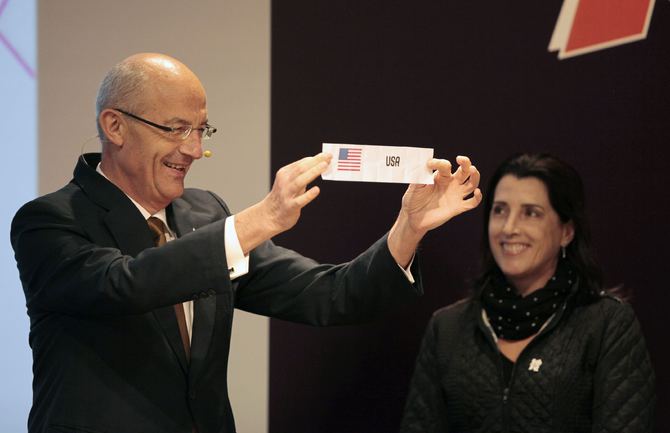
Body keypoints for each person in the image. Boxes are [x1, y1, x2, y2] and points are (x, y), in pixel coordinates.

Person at [10, 53, 482, 433]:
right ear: (114, 126)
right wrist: (264, 217)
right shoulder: (48, 222)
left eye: (200, 130)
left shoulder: (203, 215)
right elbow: (126, 284)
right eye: (175, 129)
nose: (193, 149)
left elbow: (329, 294)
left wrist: (409, 227)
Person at [400, 153, 655, 433]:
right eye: (500, 210)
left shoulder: (607, 324)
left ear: (567, 232)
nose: (509, 228)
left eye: (531, 213)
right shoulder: (447, 327)